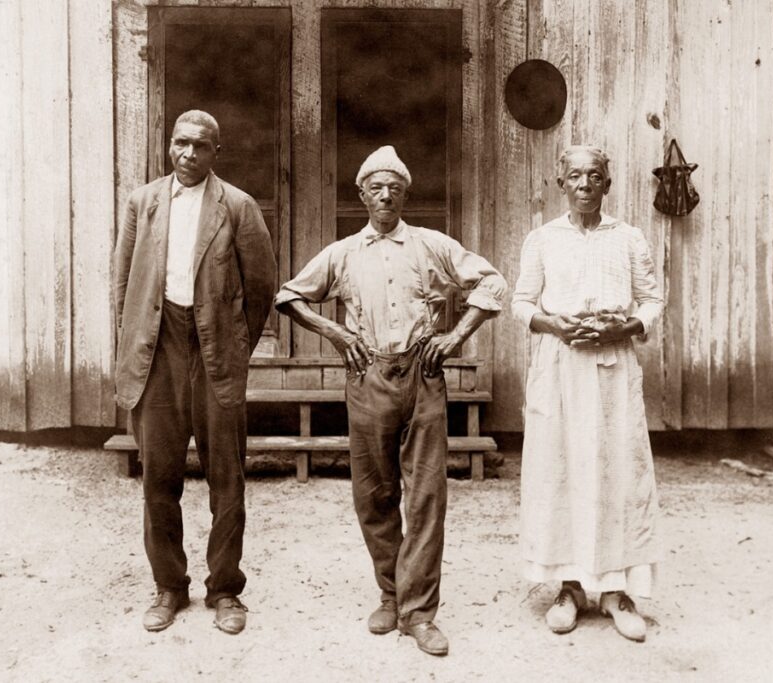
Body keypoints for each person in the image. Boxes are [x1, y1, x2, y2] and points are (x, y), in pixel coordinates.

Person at [275, 146, 506, 656]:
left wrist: (456, 337)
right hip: (369, 377)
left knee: (426, 496)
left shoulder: (429, 245)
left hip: (423, 376)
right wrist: (334, 331)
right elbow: (288, 296)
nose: (385, 197)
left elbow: (492, 282)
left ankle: (420, 613)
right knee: (375, 494)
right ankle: (390, 594)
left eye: (394, 189)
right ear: (361, 195)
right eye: (376, 189)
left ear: (406, 195)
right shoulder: (343, 253)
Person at [113, 109, 277, 634]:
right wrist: (139, 339)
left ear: (215, 153)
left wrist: (233, 345)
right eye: (180, 144)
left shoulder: (238, 206)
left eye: (199, 147)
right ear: (170, 145)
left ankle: (226, 589)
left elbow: (262, 288)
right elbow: (124, 287)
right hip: (158, 351)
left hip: (215, 355)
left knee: (226, 479)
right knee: (158, 478)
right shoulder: (143, 203)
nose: (187, 155)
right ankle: (168, 587)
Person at [511, 145, 664, 642]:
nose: (584, 184)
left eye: (594, 176)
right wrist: (553, 325)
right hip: (559, 368)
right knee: (563, 468)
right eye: (574, 175)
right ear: (561, 184)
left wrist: (626, 328)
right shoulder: (542, 239)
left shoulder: (628, 238)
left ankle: (618, 592)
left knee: (617, 469)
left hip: (614, 368)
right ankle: (571, 587)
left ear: (606, 184)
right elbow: (520, 301)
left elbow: (652, 298)